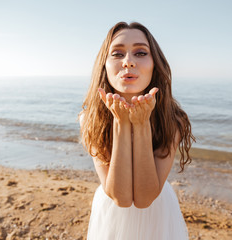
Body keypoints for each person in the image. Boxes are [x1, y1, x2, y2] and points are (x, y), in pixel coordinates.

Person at [79, 21, 195, 240]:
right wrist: (120, 123)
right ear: (104, 65)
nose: (128, 62)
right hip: (112, 212)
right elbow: (121, 199)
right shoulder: (90, 118)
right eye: (117, 54)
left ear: (155, 64)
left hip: (158, 214)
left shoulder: (173, 119)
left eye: (141, 53)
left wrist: (141, 125)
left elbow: (144, 199)